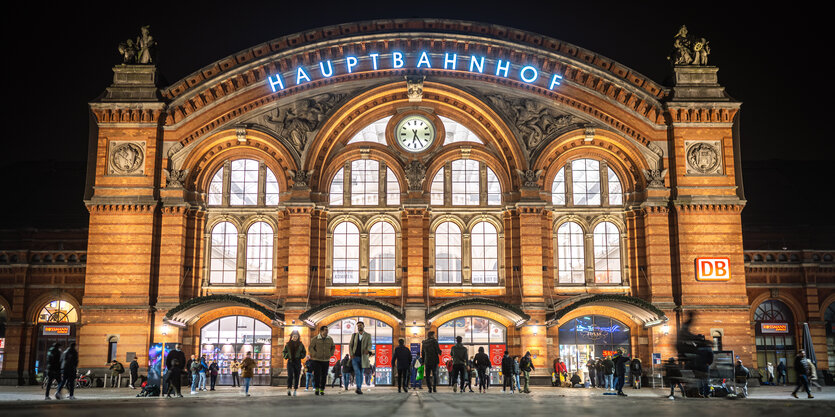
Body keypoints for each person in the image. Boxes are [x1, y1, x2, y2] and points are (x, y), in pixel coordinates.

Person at [309, 325, 335, 396]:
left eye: (327, 330)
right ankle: (317, 389)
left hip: (326, 360)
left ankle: (322, 389)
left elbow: (333, 347)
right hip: (316, 360)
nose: (327, 331)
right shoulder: (315, 339)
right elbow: (311, 347)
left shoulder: (330, 339)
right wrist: (315, 354)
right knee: (317, 375)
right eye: (325, 330)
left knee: (324, 375)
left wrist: (330, 354)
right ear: (321, 331)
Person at [348, 321, 372, 394]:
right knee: (357, 372)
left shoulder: (368, 335)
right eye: (358, 326)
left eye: (360, 325)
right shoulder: (354, 335)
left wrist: (368, 350)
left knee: (361, 373)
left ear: (363, 326)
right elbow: (350, 345)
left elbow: (369, 344)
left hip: (363, 357)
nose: (359, 327)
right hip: (355, 357)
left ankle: (359, 387)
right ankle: (358, 387)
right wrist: (351, 354)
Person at [282, 329, 306, 396]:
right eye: (294, 336)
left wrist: (300, 356)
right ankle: (289, 388)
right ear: (291, 336)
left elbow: (304, 352)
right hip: (290, 361)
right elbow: (284, 352)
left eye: (296, 336)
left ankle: (295, 389)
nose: (295, 337)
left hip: (297, 361)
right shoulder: (288, 344)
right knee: (290, 376)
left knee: (297, 376)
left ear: (298, 337)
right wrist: (287, 356)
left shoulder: (301, 344)